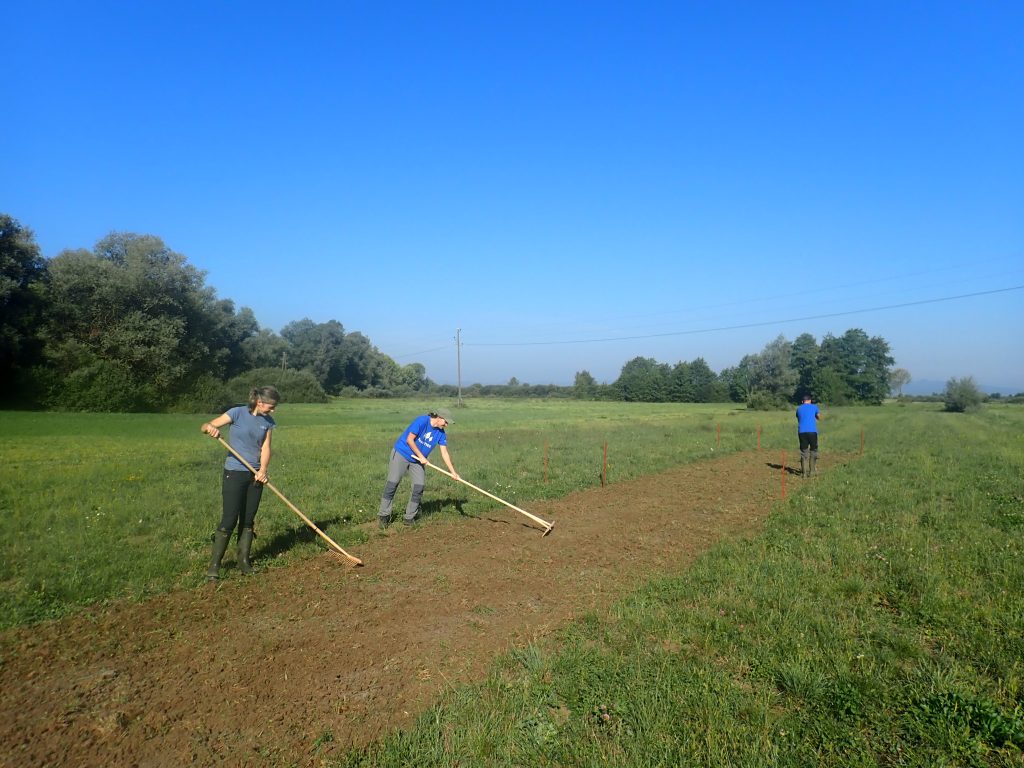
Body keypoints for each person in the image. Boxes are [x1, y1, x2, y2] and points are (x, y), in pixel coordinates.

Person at [200, 386, 280, 580]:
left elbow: (266, 447)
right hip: (234, 473)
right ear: (259, 402)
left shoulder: (268, 422)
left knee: (247, 520)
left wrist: (262, 471)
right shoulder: (237, 413)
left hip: (255, 476)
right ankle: (215, 565)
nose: (273, 410)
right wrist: (210, 428)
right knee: (229, 519)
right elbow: (206, 426)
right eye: (271, 406)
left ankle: (243, 562)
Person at [378, 409, 459, 528]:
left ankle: (409, 517)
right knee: (393, 483)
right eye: (446, 422)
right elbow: (409, 440)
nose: (446, 425)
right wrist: (422, 457)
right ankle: (384, 515)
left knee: (419, 486)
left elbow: (444, 453)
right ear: (439, 417)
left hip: (418, 461)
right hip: (402, 454)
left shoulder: (441, 434)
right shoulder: (421, 421)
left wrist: (453, 472)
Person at [796, 393, 821, 477]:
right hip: (812, 431)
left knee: (804, 451)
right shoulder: (814, 407)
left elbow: (799, 418)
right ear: (810, 400)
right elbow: (819, 417)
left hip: (802, 432)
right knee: (813, 450)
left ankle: (804, 473)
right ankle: (812, 471)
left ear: (803, 401)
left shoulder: (799, 408)